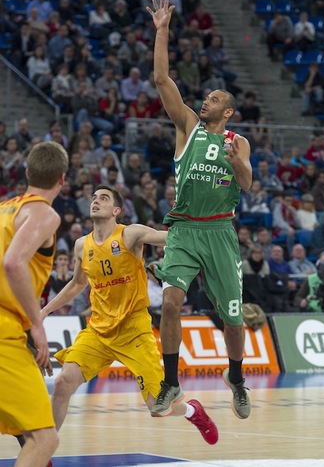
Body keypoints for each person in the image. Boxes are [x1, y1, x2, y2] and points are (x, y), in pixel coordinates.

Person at [41, 185, 218, 445]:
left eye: (103, 198)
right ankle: (44, 451)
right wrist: (45, 309)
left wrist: (196, 223)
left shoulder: (130, 234)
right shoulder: (81, 245)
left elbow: (167, 237)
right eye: (93, 198)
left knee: (158, 406)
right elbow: (78, 284)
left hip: (133, 329)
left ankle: (194, 411)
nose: (95, 201)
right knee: (63, 383)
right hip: (98, 330)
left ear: (116, 210)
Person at [146, 0, 252, 419]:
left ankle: (237, 379)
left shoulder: (237, 141)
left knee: (233, 320)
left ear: (228, 112)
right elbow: (160, 79)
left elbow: (246, 184)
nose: (204, 101)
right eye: (204, 97)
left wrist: (238, 163)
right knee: (171, 302)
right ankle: (171, 382)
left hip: (221, 232)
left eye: (212, 99)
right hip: (186, 230)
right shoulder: (188, 126)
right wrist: (162, 29)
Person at [0, 141, 69, 467]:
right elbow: (13, 263)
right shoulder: (44, 213)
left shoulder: (4, 209)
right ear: (62, 179)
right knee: (45, 438)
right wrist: (37, 324)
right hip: (4, 329)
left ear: (27, 172)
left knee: (28, 435)